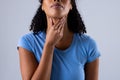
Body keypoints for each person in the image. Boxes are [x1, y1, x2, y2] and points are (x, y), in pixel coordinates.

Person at [17, 0, 100, 80]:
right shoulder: (27, 43)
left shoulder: (89, 45)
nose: (56, 0)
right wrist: (49, 45)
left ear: (71, 5)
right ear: (42, 5)